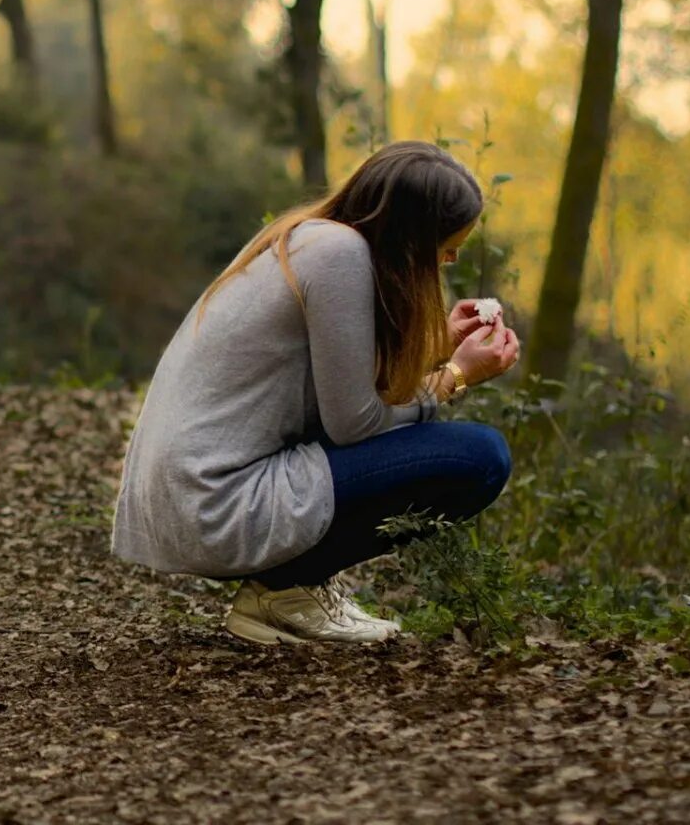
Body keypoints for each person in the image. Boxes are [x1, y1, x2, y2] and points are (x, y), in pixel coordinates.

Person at [110, 141, 519, 645]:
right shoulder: (338, 255)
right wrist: (455, 377)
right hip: (217, 502)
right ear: (409, 237)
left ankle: (288, 590)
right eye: (446, 244)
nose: (452, 257)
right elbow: (355, 424)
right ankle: (283, 592)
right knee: (480, 458)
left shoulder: (309, 238)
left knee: (468, 451)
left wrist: (438, 341)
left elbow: (340, 381)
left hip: (190, 494)